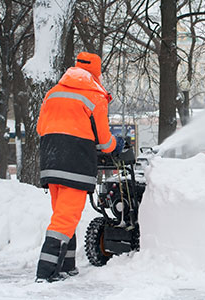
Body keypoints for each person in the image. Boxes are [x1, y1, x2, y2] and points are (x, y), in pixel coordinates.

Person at [35, 52, 124, 282]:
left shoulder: (53, 93)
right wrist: (117, 144)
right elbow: (104, 142)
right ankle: (45, 273)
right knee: (65, 218)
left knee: (64, 216)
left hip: (50, 161)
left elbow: (40, 128)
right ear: (97, 71)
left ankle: (66, 265)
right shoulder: (95, 96)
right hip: (74, 165)